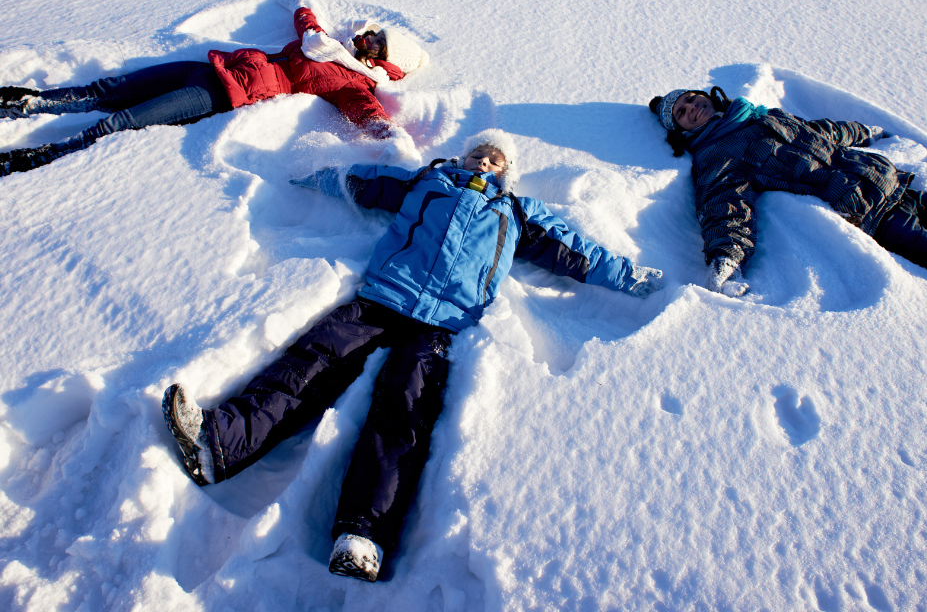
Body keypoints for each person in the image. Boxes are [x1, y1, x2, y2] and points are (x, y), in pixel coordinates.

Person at [161, 129, 663, 582]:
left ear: (508, 171)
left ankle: (362, 536)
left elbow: (579, 251)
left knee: (403, 412)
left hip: (442, 325)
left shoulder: (514, 213)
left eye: (495, 160)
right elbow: (363, 181)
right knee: (312, 362)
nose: (484, 163)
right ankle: (220, 441)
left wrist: (634, 279)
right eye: (478, 154)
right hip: (383, 297)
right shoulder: (428, 182)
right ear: (462, 157)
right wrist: (310, 175)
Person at [0, 0, 428, 176]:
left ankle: (41, 156)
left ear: (384, 62)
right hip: (210, 68)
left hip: (220, 93)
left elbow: (367, 115)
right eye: (372, 32)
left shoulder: (353, 84)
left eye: (376, 41)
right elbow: (307, 22)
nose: (366, 37)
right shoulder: (329, 44)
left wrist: (391, 138)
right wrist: (301, 3)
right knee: (105, 89)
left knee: (119, 122)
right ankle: (27, 104)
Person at [649, 86, 927, 296]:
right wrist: (727, 257)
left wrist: (864, 132)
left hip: (891, 181)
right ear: (681, 131)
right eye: (681, 112)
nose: (692, 107)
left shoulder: (760, 114)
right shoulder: (716, 154)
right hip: (874, 215)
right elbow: (725, 203)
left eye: (691, 98)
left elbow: (822, 131)